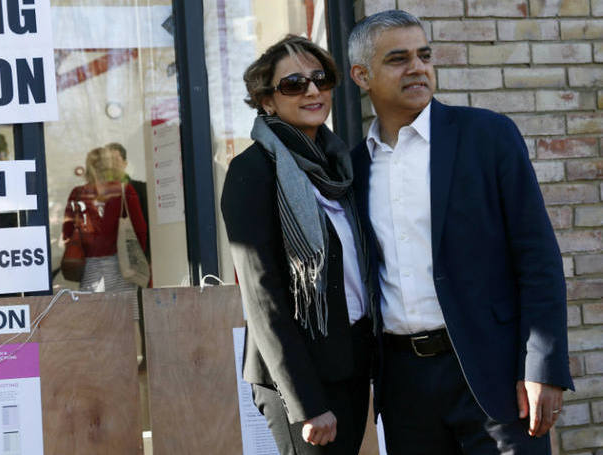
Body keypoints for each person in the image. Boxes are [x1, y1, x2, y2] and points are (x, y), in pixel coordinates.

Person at [346, 10, 573, 454]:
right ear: (361, 75)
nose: (417, 67)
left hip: (496, 376)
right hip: (404, 385)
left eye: (424, 55)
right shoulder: (354, 167)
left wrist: (543, 367)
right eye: (398, 59)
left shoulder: (487, 136)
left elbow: (538, 258)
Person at [221, 35, 374, 454]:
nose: (311, 90)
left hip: (351, 366)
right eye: (293, 84)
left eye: (320, 79)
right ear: (267, 100)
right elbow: (262, 296)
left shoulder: (341, 166)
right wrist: (306, 402)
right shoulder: (251, 172)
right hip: (302, 381)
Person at [62, 147, 147, 292]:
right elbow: (140, 231)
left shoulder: (78, 193)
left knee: (94, 312)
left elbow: (67, 232)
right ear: (111, 165)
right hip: (122, 266)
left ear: (88, 166)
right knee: (124, 312)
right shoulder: (124, 190)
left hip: (90, 269)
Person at [104, 142, 150, 260]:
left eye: (115, 160)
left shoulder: (140, 189)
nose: (111, 165)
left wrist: (146, 259)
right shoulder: (97, 194)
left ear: (125, 163)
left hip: (135, 259)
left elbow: (148, 227)